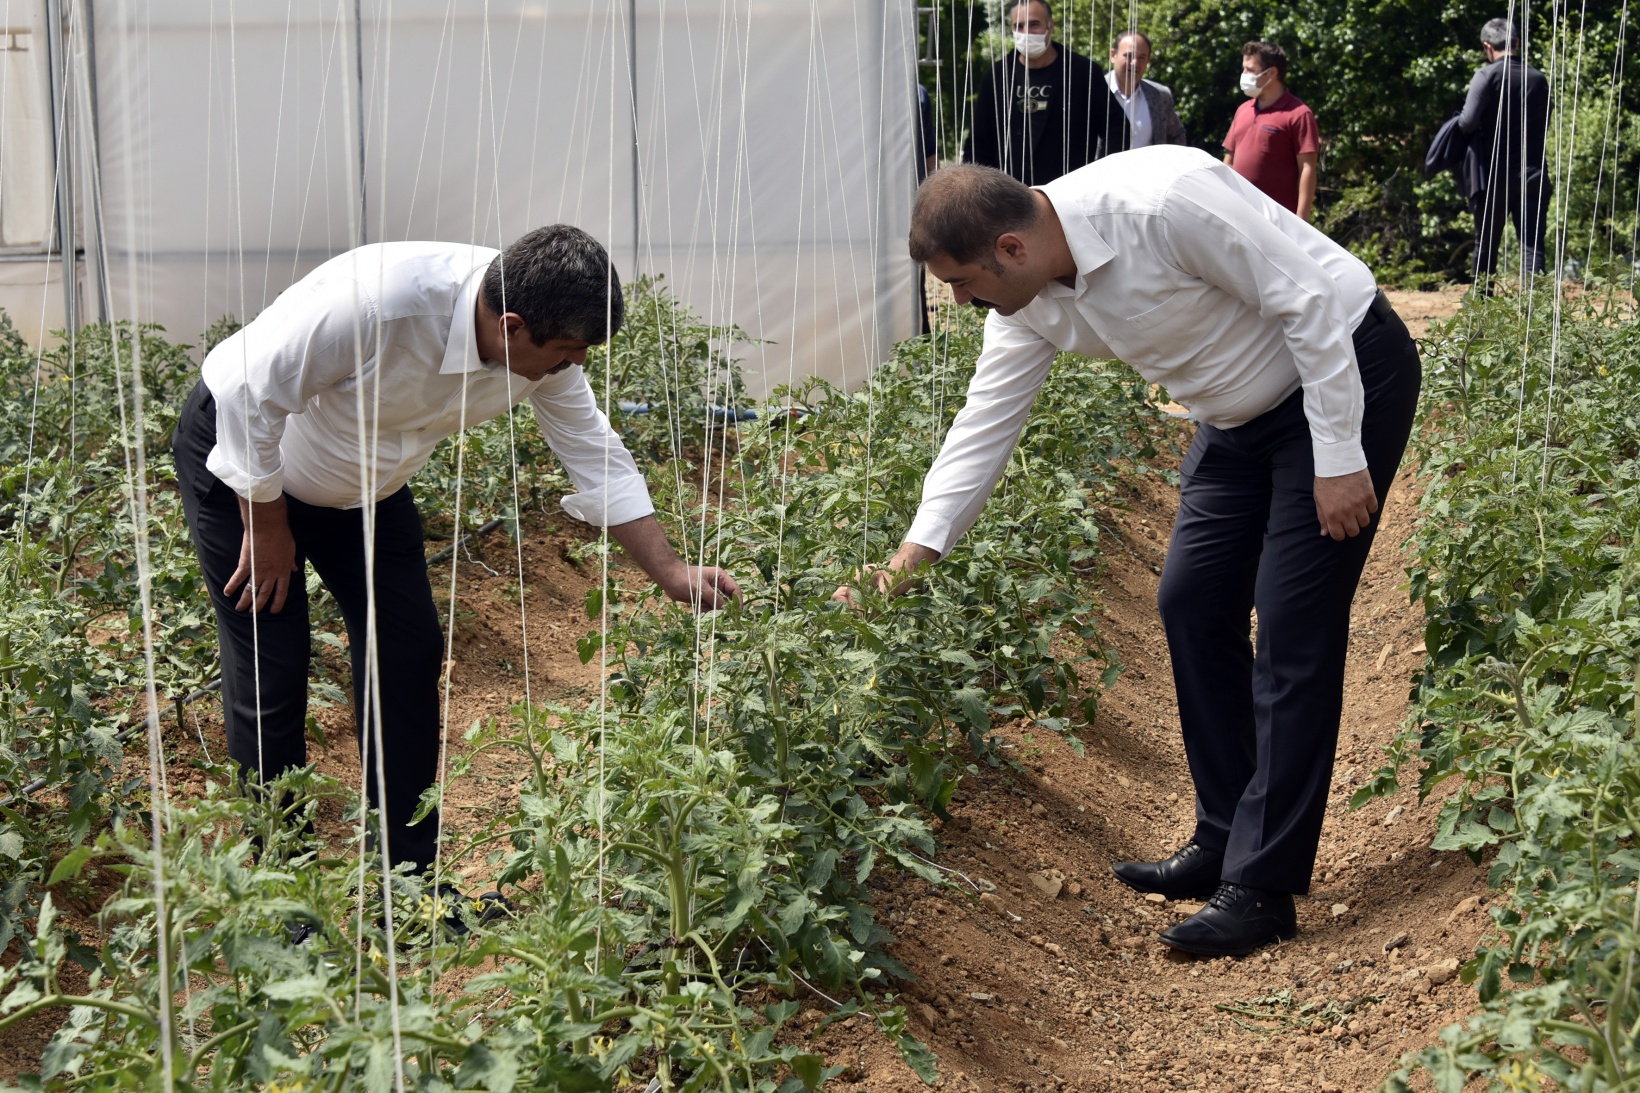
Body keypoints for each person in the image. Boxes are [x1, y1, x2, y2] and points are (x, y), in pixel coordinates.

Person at [833, 153, 1421, 957]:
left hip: (1342, 372)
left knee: (1293, 622)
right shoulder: (1025, 302)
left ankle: (1263, 886)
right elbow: (984, 425)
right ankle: (1224, 836)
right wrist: (908, 561)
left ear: (1011, 248)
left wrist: (1340, 455)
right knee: (1191, 599)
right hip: (1234, 415)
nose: (961, 303)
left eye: (962, 284)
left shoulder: (1162, 205)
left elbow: (1309, 297)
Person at [173, 226, 740, 924]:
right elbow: (246, 392)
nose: (575, 365)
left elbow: (592, 450)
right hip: (247, 469)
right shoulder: (378, 304)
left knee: (407, 654)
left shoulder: (546, 356)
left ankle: (408, 890)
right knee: (273, 666)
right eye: (567, 350)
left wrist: (672, 571)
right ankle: (283, 902)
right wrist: (266, 525)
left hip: (367, 486)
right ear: (511, 325)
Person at [965, 0, 1128, 186]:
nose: (1026, 32)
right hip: (1009, 195)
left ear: (1051, 27)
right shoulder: (997, 76)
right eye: (1018, 26)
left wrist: (1099, 176)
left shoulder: (1082, 72)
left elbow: (1118, 127)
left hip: (1068, 192)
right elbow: (978, 143)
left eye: (1034, 24)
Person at [1459, 17, 1551, 290]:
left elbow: (1467, 122)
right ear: (1517, 43)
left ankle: (1482, 306)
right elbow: (1546, 120)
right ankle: (1536, 309)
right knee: (1532, 246)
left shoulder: (1486, 76)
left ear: (1488, 47)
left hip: (1494, 176)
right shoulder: (1538, 78)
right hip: (1533, 172)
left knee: (1486, 244)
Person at [1223, 41, 1320, 221]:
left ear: (1272, 73)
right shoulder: (1243, 110)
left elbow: (1307, 168)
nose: (1244, 75)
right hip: (1240, 216)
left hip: (1278, 221)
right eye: (1244, 69)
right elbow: (1229, 161)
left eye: (1250, 70)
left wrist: (1301, 218)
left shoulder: (1299, 114)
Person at [1106, 31, 1188, 149]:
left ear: (1148, 60)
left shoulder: (1160, 96)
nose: (1135, 63)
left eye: (1142, 57)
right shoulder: (1093, 92)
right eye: (1129, 56)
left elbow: (1176, 134)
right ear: (1113, 55)